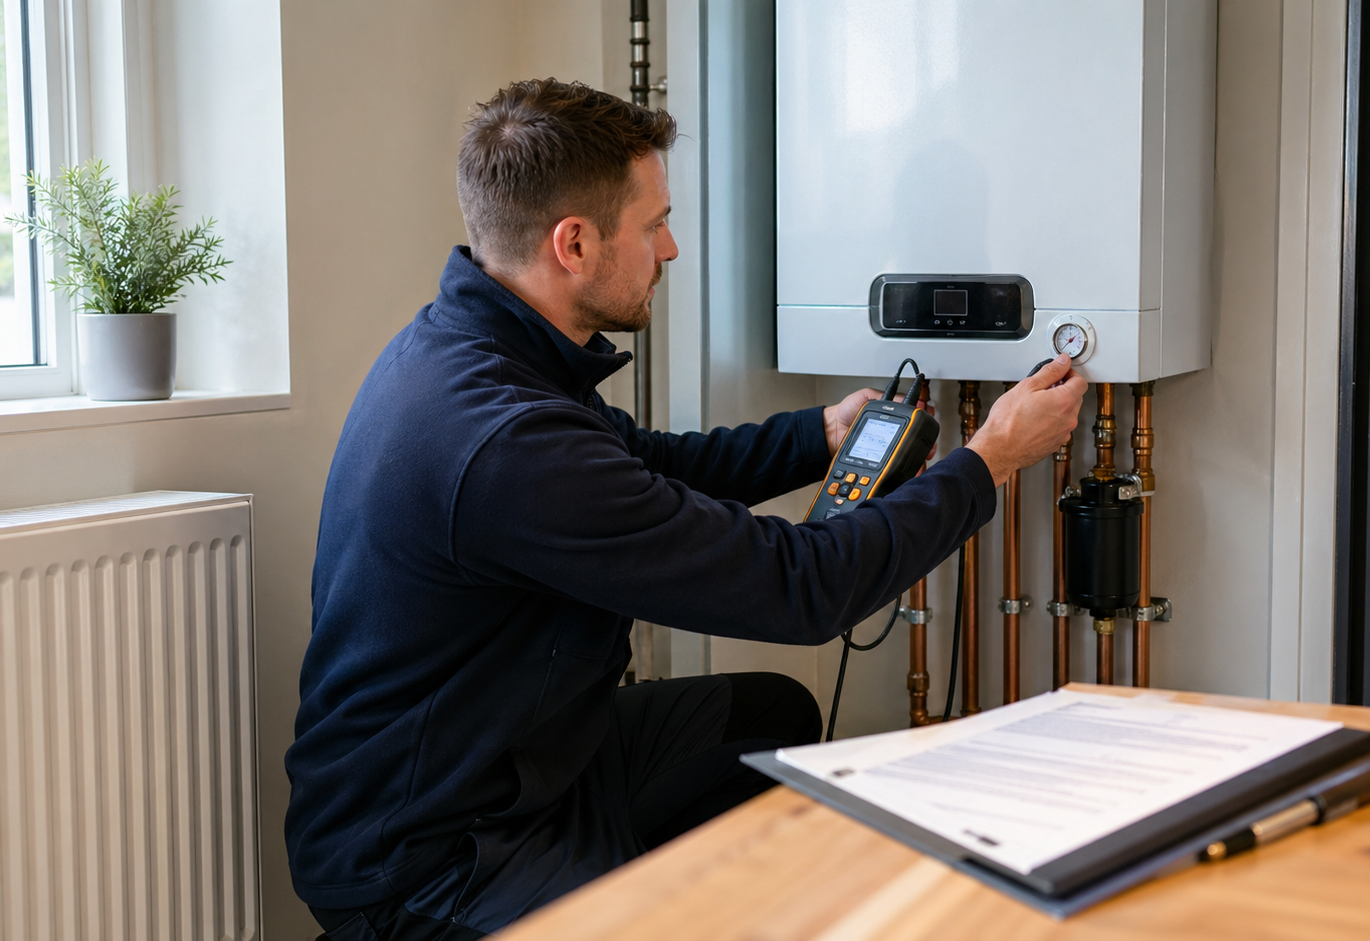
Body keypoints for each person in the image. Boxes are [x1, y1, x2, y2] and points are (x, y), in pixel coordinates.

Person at [285, 79, 1086, 941]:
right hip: (433, 853)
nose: (670, 247)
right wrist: (989, 460)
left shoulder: (477, 347)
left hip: (524, 756)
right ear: (575, 243)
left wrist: (817, 434)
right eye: (654, 222)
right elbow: (799, 588)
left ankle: (627, 883)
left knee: (770, 716)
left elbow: (643, 464)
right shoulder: (506, 440)